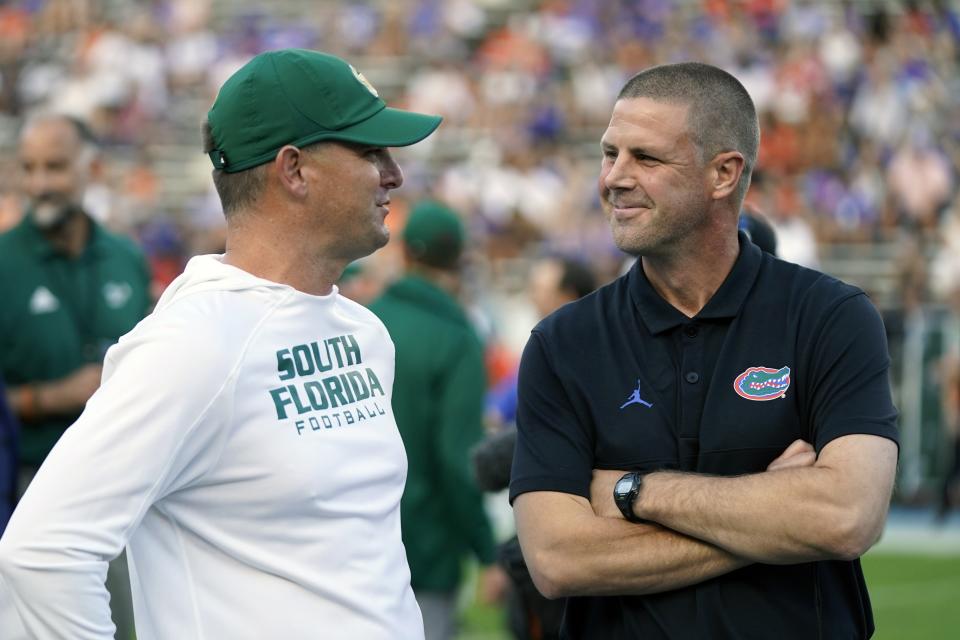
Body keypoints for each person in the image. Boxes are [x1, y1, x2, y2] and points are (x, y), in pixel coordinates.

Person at [0, 48, 442, 639]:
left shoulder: (364, 331)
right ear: (294, 170)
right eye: (369, 151)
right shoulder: (193, 344)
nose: (394, 174)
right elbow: (42, 552)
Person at [510, 62, 899, 639]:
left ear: (724, 173)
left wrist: (635, 492)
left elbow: (845, 518)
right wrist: (777, 519)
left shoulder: (831, 317)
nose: (614, 177)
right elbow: (559, 560)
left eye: (646, 158)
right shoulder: (562, 342)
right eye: (609, 152)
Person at [0, 113, 152, 639]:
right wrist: (52, 397)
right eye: (30, 168)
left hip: (125, 494)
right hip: (30, 495)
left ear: (92, 168)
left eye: (56, 167)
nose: (40, 183)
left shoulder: (126, 258)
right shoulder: (3, 263)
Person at [368, 200, 505, 640]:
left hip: (356, 538)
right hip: (425, 548)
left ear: (405, 252)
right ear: (459, 260)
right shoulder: (457, 337)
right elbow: (457, 457)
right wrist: (486, 550)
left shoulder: (364, 321)